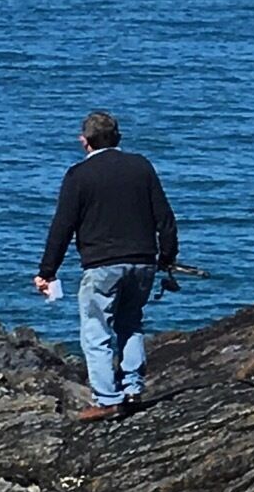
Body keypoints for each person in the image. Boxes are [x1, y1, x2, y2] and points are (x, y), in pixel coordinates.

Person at [34, 112, 179, 421]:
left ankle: (106, 399)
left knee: (96, 330)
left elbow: (62, 227)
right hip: (143, 261)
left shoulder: (78, 176)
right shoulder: (141, 166)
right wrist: (167, 256)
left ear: (84, 141)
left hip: (101, 264)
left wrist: (47, 272)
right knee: (131, 323)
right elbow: (164, 217)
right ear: (118, 138)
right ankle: (132, 389)